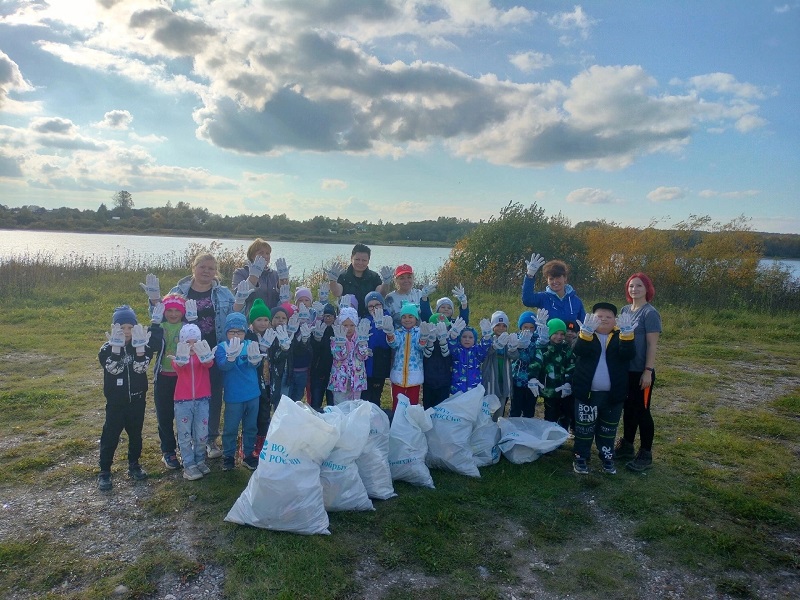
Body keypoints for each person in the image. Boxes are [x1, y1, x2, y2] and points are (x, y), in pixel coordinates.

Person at [165, 253, 250, 459]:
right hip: (185, 354)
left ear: (216, 272)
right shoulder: (179, 291)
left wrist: (240, 300)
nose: (206, 271)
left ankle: (209, 439)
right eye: (202, 267)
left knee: (211, 396)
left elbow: (234, 315)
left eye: (211, 268)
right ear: (194, 267)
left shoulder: (223, 293)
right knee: (184, 397)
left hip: (212, 353)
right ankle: (186, 438)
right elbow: (161, 314)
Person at [97, 305, 161, 491]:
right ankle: (105, 471)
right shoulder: (106, 349)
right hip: (115, 403)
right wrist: (116, 349)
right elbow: (113, 369)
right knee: (110, 436)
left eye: (130, 328)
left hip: (137, 401)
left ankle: (134, 464)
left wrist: (141, 349)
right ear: (114, 328)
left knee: (135, 435)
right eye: (122, 327)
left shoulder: (141, 345)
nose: (126, 332)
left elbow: (140, 369)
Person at [571, 302, 635, 475]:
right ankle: (581, 457)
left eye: (609, 317)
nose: (604, 319)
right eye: (599, 316)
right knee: (584, 429)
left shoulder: (622, 335)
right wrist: (585, 334)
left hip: (614, 395)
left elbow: (628, 354)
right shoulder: (586, 334)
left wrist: (628, 335)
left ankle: (607, 457)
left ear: (616, 320)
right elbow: (578, 351)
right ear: (592, 318)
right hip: (586, 393)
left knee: (608, 430)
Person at [616, 273, 662, 472]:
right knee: (628, 409)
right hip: (625, 370)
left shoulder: (650, 313)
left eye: (639, 286)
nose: (634, 289)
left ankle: (645, 453)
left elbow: (652, 345)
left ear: (647, 289)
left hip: (641, 371)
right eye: (631, 286)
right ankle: (627, 445)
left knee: (642, 411)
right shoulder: (625, 310)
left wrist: (648, 371)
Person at [214, 312, 262, 471]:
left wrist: (255, 362)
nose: (236, 335)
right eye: (232, 332)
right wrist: (230, 358)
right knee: (230, 427)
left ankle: (248, 454)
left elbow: (254, 364)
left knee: (250, 427)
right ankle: (228, 456)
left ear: (245, 332)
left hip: (252, 394)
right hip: (234, 396)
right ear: (226, 332)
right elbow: (222, 367)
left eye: (239, 332)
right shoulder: (221, 347)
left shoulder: (250, 344)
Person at [171, 324, 214, 480]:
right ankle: (189, 465)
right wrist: (181, 360)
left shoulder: (202, 357)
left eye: (195, 342)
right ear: (182, 343)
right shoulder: (179, 357)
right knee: (185, 434)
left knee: (201, 433)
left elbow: (209, 364)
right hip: (183, 401)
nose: (191, 346)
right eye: (187, 342)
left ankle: (200, 460)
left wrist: (206, 356)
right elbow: (177, 366)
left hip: (202, 399)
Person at [150, 293, 186, 470]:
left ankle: (186, 448)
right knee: (164, 416)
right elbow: (153, 346)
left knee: (183, 415)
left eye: (177, 311)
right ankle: (168, 451)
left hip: (183, 377)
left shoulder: (187, 326)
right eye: (169, 310)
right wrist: (155, 325)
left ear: (183, 312)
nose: (173, 314)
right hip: (163, 376)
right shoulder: (160, 326)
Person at [528, 318, 576, 428]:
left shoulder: (566, 349)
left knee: (565, 413)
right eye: (555, 333)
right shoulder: (544, 349)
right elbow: (536, 363)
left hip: (564, 389)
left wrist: (568, 383)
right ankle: (550, 436)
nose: (559, 337)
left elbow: (571, 366)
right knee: (551, 414)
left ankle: (561, 437)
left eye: (562, 334)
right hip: (549, 389)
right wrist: (532, 378)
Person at [327, 243, 391, 318]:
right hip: (348, 320)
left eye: (364, 260)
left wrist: (386, 283)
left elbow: (381, 294)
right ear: (351, 258)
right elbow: (337, 293)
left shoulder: (374, 277)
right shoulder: (343, 276)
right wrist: (332, 280)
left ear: (368, 260)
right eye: (357, 259)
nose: (360, 263)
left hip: (369, 318)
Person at [521, 253, 586, 324]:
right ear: (547, 280)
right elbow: (527, 300)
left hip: (569, 335)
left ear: (565, 278)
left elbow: (582, 324)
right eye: (551, 279)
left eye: (558, 277)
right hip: (546, 335)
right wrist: (530, 275)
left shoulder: (576, 301)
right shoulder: (543, 298)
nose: (555, 281)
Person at [244, 298, 272, 458]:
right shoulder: (248, 336)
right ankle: (249, 445)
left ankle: (262, 444)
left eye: (266, 319)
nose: (262, 323)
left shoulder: (271, 334)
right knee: (252, 413)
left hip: (268, 380)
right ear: (252, 321)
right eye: (259, 319)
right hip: (253, 380)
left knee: (265, 412)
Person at [385, 303, 426, 411]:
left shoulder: (419, 332)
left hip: (414, 375)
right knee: (398, 404)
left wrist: (423, 337)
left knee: (412, 404)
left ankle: (411, 425)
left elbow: (420, 347)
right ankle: (396, 424)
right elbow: (394, 344)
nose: (407, 319)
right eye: (404, 317)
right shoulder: (398, 332)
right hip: (398, 374)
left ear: (416, 318)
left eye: (410, 316)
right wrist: (390, 334)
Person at [481, 310, 520, 418]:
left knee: (500, 407)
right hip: (491, 378)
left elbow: (515, 356)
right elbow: (484, 353)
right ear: (493, 326)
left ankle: (497, 427)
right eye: (498, 325)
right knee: (488, 409)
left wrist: (512, 348)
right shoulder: (487, 338)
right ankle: (486, 429)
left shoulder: (508, 339)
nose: (501, 328)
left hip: (504, 377)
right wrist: (494, 346)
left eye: (504, 326)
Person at [328, 307, 371, 403]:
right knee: (340, 405)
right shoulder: (336, 338)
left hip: (356, 379)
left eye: (352, 325)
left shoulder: (361, 337)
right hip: (340, 380)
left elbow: (363, 356)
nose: (349, 328)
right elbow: (339, 356)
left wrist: (362, 344)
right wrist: (341, 344)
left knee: (354, 406)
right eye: (345, 325)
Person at [231, 238, 281, 313]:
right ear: (252, 256)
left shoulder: (275, 275)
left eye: (267, 253)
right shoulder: (241, 272)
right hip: (249, 320)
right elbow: (237, 296)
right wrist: (253, 277)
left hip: (271, 321)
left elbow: (282, 299)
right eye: (261, 253)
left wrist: (284, 280)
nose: (265, 256)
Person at [361, 292, 392, 406]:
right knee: (364, 396)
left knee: (375, 397)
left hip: (380, 364)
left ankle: (376, 420)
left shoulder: (388, 318)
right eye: (371, 306)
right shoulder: (365, 320)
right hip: (366, 364)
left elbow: (386, 344)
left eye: (377, 305)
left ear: (382, 305)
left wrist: (381, 328)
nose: (374, 308)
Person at [447, 318, 492, 395]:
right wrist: (453, 336)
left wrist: (487, 337)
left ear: (475, 339)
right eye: (464, 337)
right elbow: (452, 345)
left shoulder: (477, 351)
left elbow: (484, 348)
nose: (467, 339)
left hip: (474, 390)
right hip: (457, 390)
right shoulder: (457, 351)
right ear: (460, 338)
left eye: (470, 337)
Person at [509, 311, 540, 418]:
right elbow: (511, 356)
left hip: (532, 381)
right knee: (515, 409)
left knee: (529, 410)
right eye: (525, 326)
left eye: (531, 327)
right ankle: (513, 431)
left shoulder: (537, 340)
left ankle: (527, 431)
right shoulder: (515, 338)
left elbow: (538, 358)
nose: (528, 329)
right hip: (517, 380)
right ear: (520, 327)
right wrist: (518, 346)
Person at [309, 303, 338, 410]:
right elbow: (313, 351)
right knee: (316, 401)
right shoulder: (317, 328)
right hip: (318, 371)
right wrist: (317, 340)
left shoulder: (338, 330)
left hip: (333, 372)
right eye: (325, 316)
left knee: (332, 403)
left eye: (330, 316)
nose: (328, 318)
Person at [421, 315, 453, 409]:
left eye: (445, 327)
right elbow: (426, 355)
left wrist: (443, 341)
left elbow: (447, 355)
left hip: (444, 381)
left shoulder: (448, 341)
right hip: (428, 380)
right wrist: (430, 342)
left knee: (442, 407)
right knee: (428, 407)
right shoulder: (427, 340)